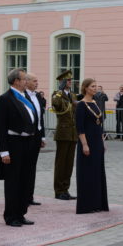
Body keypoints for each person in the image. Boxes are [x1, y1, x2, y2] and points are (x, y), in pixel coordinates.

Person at [0, 68, 38, 226]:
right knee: (13, 181)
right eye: (24, 79)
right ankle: (11, 216)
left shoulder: (25, 96)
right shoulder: (4, 99)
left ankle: (21, 213)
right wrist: (3, 151)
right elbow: (0, 127)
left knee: (25, 180)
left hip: (28, 143)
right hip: (13, 144)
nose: (26, 81)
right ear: (16, 81)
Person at [76, 78, 109, 214]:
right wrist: (84, 144)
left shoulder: (95, 102)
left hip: (97, 142)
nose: (95, 89)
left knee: (97, 172)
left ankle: (98, 203)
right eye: (92, 86)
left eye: (96, 86)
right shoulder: (81, 105)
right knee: (87, 173)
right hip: (87, 142)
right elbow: (80, 127)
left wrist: (102, 142)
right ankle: (87, 205)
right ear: (85, 88)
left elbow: (99, 125)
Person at [52, 70, 78, 200]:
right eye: (67, 80)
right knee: (61, 163)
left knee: (69, 163)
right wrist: (59, 92)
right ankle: (58, 190)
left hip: (73, 133)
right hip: (63, 132)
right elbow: (56, 105)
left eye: (70, 80)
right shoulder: (57, 94)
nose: (70, 82)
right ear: (62, 82)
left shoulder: (73, 95)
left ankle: (66, 189)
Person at [25, 72, 46, 206]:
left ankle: (30, 195)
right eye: (34, 81)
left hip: (37, 134)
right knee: (25, 167)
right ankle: (23, 196)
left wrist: (42, 136)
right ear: (26, 82)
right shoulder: (23, 96)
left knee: (32, 166)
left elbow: (40, 118)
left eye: (37, 81)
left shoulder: (37, 95)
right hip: (27, 135)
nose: (37, 83)